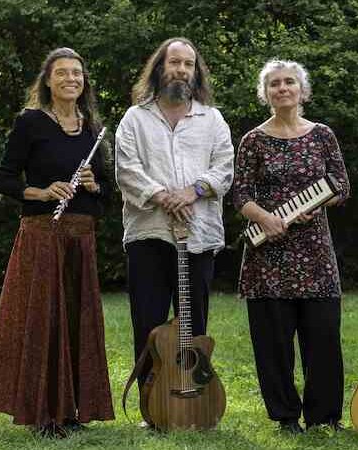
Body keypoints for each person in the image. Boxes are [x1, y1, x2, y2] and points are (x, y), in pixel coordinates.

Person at [0, 47, 114, 437]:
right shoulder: (31, 123)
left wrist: (95, 184)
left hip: (81, 238)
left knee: (77, 322)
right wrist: (40, 192)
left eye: (77, 73)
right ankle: (44, 413)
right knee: (46, 322)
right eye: (62, 73)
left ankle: (72, 411)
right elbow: (4, 179)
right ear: (48, 80)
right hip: (43, 235)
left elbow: (106, 197)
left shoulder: (91, 128)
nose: (71, 79)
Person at [232, 60, 350, 433]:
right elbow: (240, 194)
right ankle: (285, 417)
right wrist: (266, 218)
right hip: (269, 254)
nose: (283, 89)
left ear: (302, 90)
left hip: (315, 252)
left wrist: (312, 204)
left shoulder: (322, 135)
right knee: (273, 344)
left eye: (289, 83)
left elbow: (341, 186)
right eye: (275, 84)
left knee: (323, 339)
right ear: (265, 93)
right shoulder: (253, 139)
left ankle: (324, 417)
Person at [115, 38, 234, 399]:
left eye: (188, 64)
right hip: (148, 235)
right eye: (174, 62)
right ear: (160, 68)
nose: (181, 69)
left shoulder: (211, 119)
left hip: (197, 236)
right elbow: (126, 169)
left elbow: (225, 167)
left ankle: (193, 398)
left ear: (196, 72)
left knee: (195, 323)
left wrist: (193, 192)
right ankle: (153, 404)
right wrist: (165, 197)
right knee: (148, 324)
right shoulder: (136, 118)